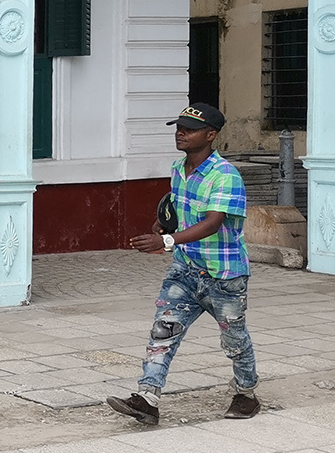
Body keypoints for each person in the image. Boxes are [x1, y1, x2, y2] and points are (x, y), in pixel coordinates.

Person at [108, 102, 260, 426]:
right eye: (179, 127)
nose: (181, 133)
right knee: (162, 331)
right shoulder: (179, 169)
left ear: (211, 134)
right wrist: (162, 225)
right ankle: (147, 399)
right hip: (186, 269)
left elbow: (212, 223)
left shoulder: (225, 176)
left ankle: (246, 392)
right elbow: (178, 211)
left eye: (189, 130)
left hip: (224, 275)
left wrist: (165, 242)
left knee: (234, 339)